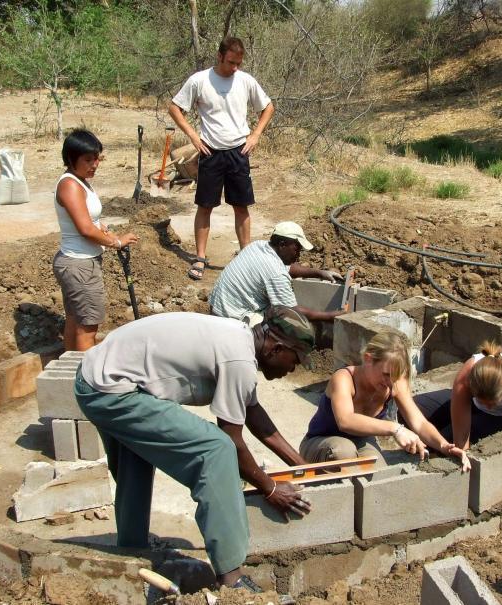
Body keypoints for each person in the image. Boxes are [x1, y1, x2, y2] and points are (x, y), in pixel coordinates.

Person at [74, 306, 315, 593]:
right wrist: (271, 488)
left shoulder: (240, 341)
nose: (293, 369)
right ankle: (232, 578)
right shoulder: (239, 360)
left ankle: (132, 550)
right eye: (295, 360)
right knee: (215, 450)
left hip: (98, 377)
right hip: (111, 389)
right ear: (276, 348)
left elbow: (254, 414)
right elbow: (233, 442)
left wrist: (304, 467)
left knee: (135, 460)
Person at [169, 37, 275, 280]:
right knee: (205, 205)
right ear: (219, 56)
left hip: (239, 151)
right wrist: (193, 136)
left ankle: (246, 257)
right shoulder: (199, 80)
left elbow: (267, 107)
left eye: (239, 63)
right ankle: (200, 258)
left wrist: (256, 135)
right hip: (210, 152)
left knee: (241, 206)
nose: (235, 68)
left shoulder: (246, 81)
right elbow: (175, 107)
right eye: (230, 62)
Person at [301, 330, 471, 471]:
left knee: (380, 475)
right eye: (386, 374)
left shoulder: (395, 381)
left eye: (395, 377)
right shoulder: (344, 378)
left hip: (360, 441)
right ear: (368, 359)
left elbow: (419, 423)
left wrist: (443, 445)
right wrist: (396, 429)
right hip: (321, 442)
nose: (390, 382)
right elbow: (345, 420)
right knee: (344, 453)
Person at [52, 129, 139, 351]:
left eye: (97, 158)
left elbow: (91, 221)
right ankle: (85, 380)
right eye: (88, 160)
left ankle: (70, 375)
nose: (95, 164)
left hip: (80, 262)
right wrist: (116, 243)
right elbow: (85, 229)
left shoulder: (80, 181)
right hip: (79, 265)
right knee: (88, 327)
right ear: (71, 159)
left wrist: (109, 233)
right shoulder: (70, 185)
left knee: (75, 320)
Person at [209, 221, 345, 326]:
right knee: (291, 328)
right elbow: (291, 312)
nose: (298, 255)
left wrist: (320, 273)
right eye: (297, 248)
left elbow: (289, 269)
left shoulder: (258, 246)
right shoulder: (275, 272)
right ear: (282, 244)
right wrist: (329, 317)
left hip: (217, 310)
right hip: (231, 322)